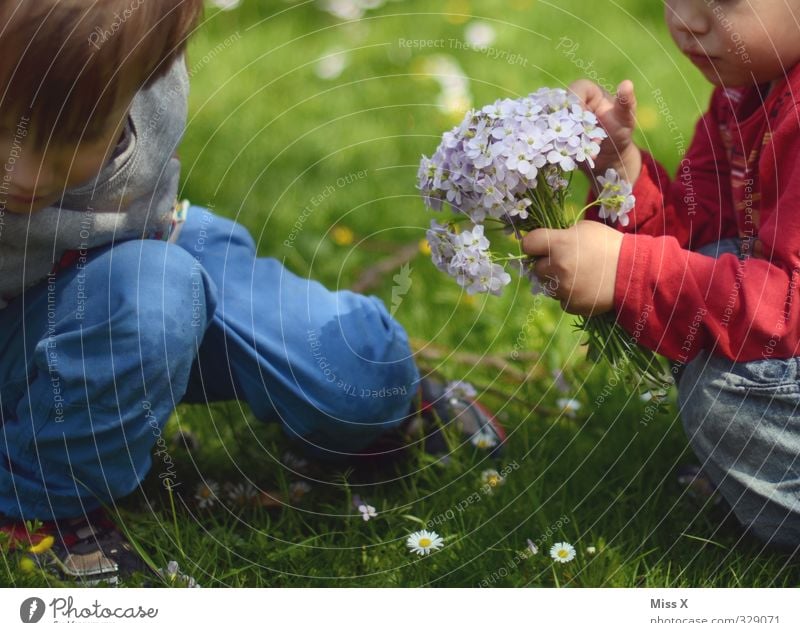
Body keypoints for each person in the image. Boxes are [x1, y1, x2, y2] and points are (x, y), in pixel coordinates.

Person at [0, 1, 505, 585]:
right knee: (154, 293)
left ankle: (396, 398)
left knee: (354, 376)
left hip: (150, 258)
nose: (26, 173)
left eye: (78, 135)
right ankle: (43, 504)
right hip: (46, 322)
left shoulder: (138, 61)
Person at [523, 0, 800, 551]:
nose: (688, 21)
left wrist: (629, 270)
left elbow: (787, 305)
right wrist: (615, 165)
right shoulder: (743, 98)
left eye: (723, 1)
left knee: (728, 384)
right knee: (715, 293)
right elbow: (697, 239)